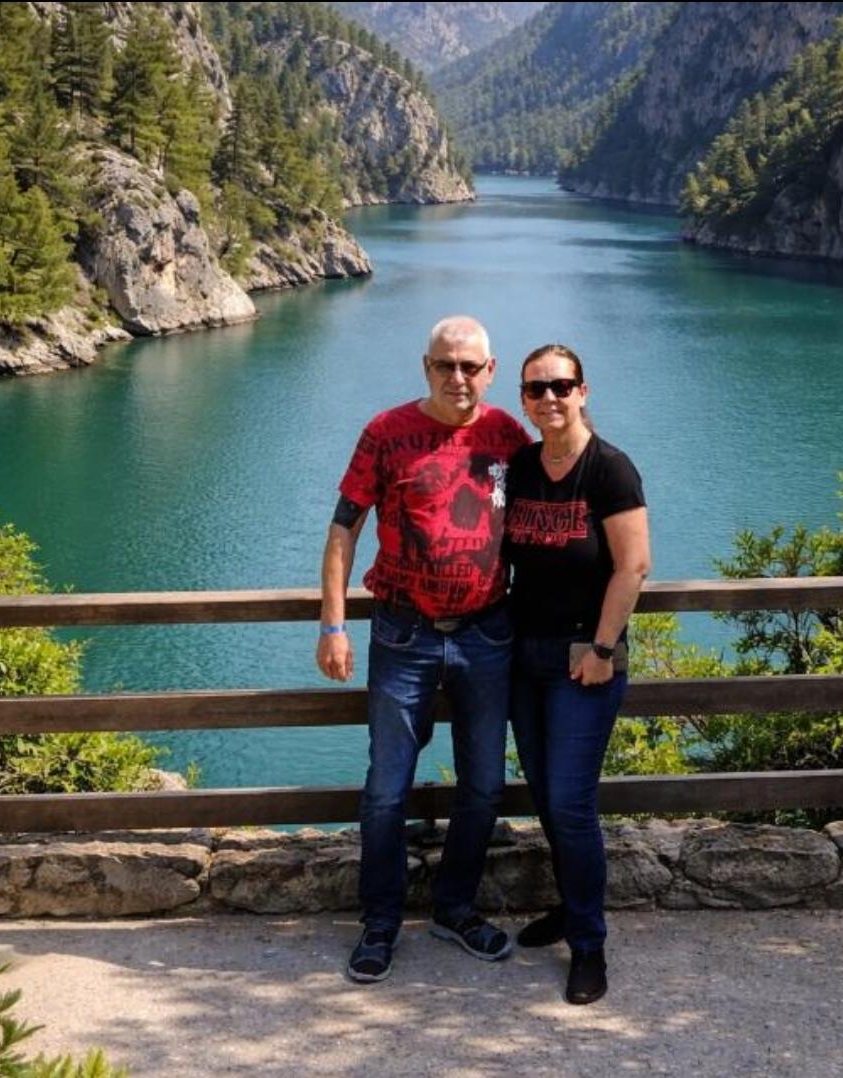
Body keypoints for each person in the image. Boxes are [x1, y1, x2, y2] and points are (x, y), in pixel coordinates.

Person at [317, 315, 529, 984]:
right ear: (426, 367)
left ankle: (454, 908)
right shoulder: (386, 432)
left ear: (490, 372)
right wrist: (332, 625)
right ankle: (380, 922)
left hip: (487, 632)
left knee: (484, 785)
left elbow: (545, 520)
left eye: (470, 366)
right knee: (386, 789)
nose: (457, 377)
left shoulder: (507, 436)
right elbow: (344, 529)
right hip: (402, 633)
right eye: (445, 365)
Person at [505, 343, 650, 1005]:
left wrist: (601, 647)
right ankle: (570, 907)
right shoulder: (522, 466)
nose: (550, 398)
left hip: (584, 657)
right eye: (536, 389)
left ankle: (589, 944)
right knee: (545, 793)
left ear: (582, 392)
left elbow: (633, 566)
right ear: (523, 400)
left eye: (561, 386)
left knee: (569, 800)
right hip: (523, 654)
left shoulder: (610, 469)